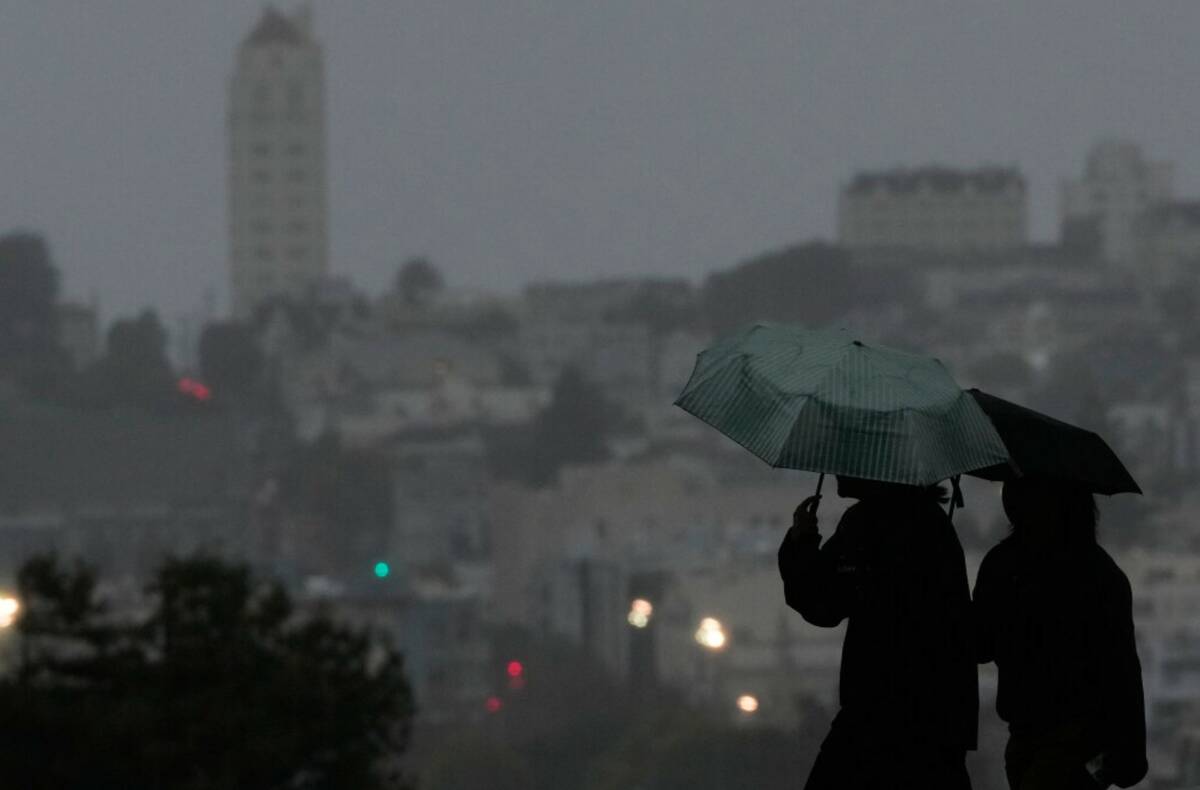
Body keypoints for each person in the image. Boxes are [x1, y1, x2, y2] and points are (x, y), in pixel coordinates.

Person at [778, 475, 977, 790]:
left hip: (877, 712)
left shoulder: (868, 523)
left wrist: (801, 542)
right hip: (940, 718)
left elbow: (823, 603)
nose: (836, 472)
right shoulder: (931, 523)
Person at [973, 478, 1147, 790]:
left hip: (1033, 734)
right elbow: (1123, 672)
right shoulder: (1101, 573)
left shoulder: (1004, 564)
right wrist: (1130, 755)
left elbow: (980, 645)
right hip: (1082, 741)